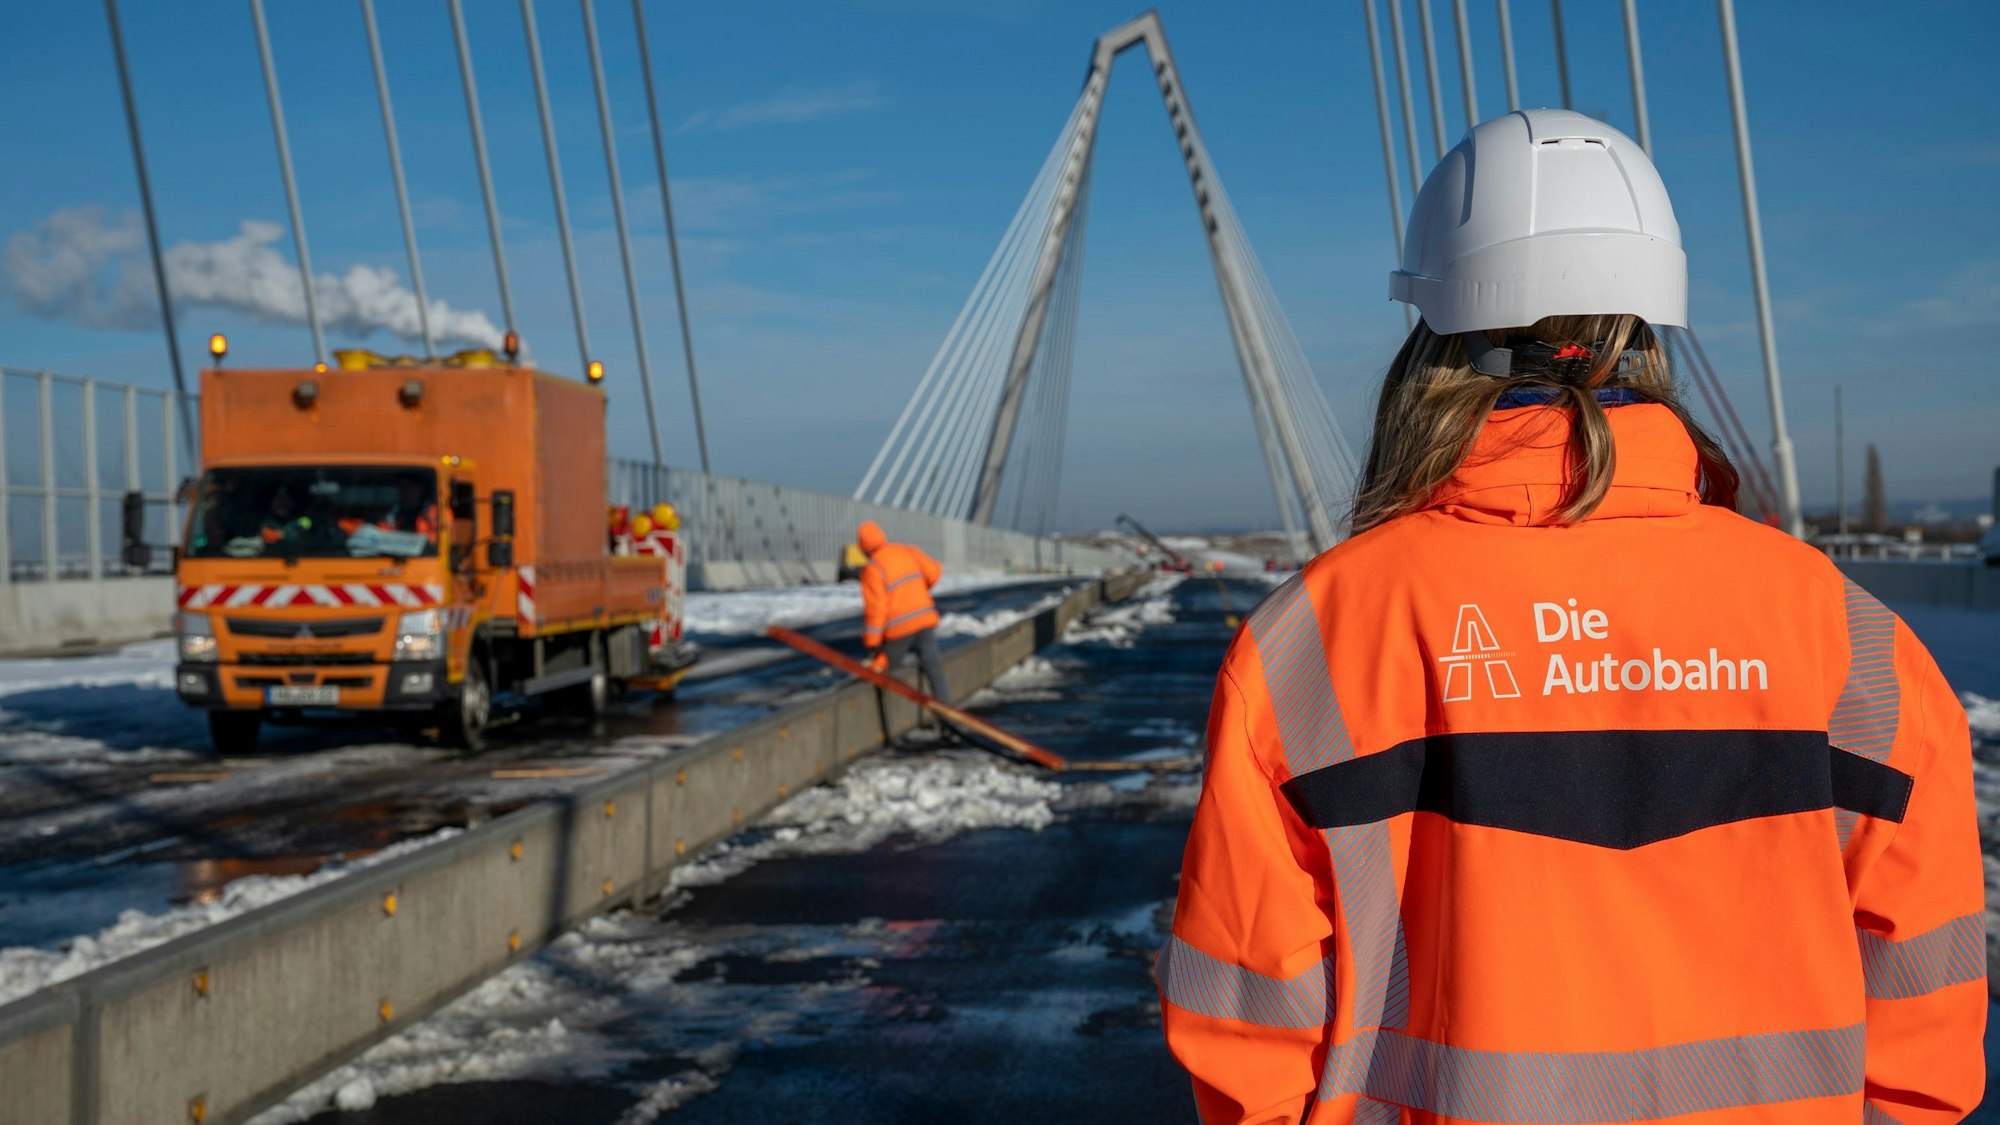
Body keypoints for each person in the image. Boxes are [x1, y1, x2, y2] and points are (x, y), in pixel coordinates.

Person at [1158, 109, 1983, 1124]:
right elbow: (1925, 1016)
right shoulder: (1854, 644)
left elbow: (1245, 1026)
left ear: (1431, 334)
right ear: (1649, 329)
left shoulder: (1313, 645)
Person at [855, 520, 950, 703]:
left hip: (900, 630)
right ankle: (950, 716)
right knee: (934, 668)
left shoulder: (872, 569)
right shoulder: (906, 551)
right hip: (925, 621)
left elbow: (876, 609)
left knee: (884, 667)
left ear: (863, 547)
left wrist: (873, 644)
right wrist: (919, 590)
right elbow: (934, 572)